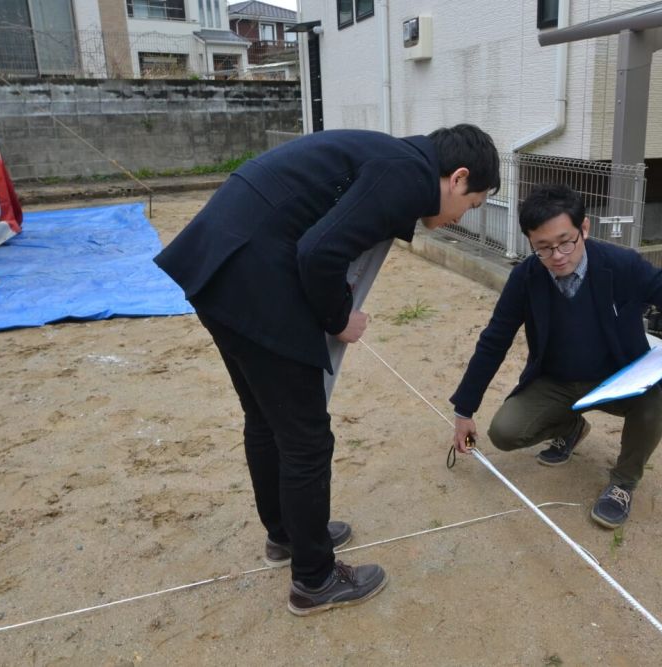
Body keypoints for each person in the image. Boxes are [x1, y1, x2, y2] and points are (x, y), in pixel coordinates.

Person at [155, 124, 500, 615]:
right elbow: (319, 252)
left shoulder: (394, 159)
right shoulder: (405, 176)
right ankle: (314, 579)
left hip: (219, 265)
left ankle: (289, 535)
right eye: (471, 204)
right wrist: (340, 318)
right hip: (252, 277)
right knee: (305, 438)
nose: (461, 217)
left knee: (267, 419)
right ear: (458, 178)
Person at [449, 184, 662, 529]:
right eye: (543, 247)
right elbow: (494, 340)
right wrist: (464, 409)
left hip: (619, 378)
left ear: (584, 228)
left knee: (651, 408)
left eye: (566, 241)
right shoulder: (525, 277)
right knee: (505, 432)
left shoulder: (621, 265)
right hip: (555, 381)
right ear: (530, 243)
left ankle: (623, 483)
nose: (557, 255)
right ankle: (571, 428)